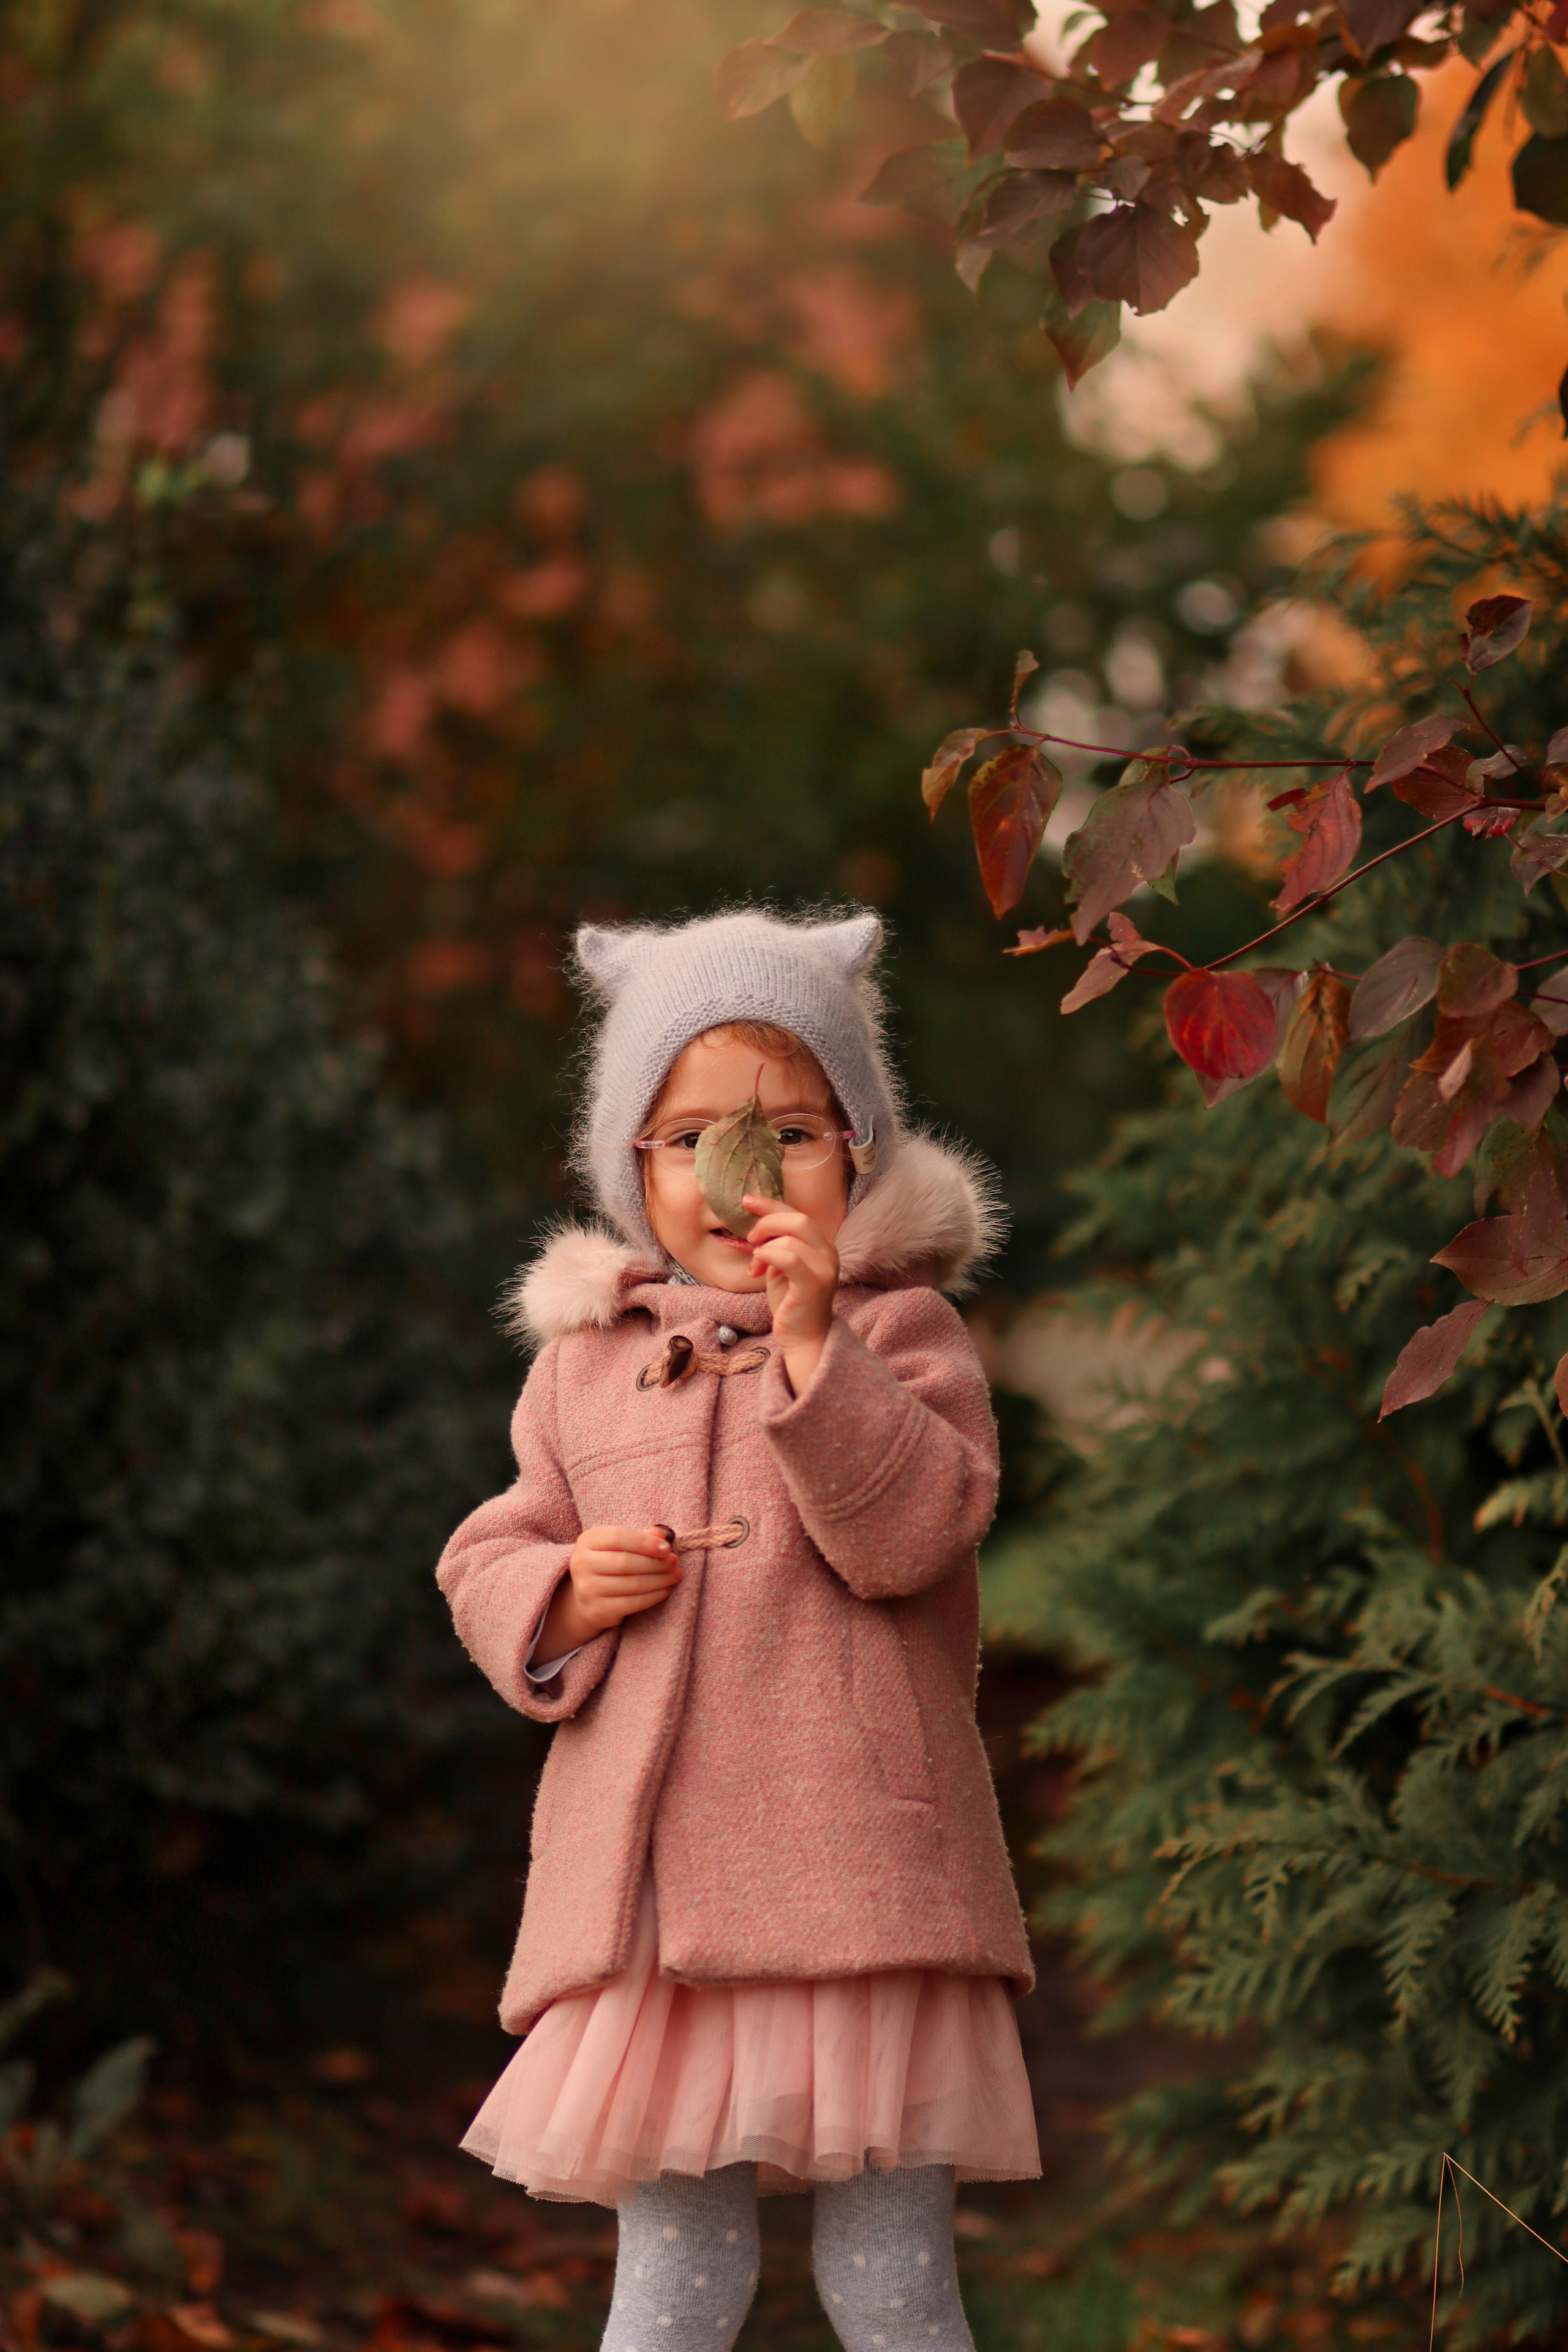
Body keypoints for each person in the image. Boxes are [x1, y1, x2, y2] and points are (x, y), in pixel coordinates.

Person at [436, 908, 1039, 2352]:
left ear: (857, 1153)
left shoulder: (904, 1336)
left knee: (890, 2279)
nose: (736, 1175)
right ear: (630, 1167)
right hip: (658, 1906)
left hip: (865, 1881)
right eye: (691, 1137)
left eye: (786, 1134)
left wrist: (817, 1347)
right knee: (674, 2282)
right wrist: (566, 1593)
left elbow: (915, 1534)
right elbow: (486, 1550)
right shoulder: (587, 1366)